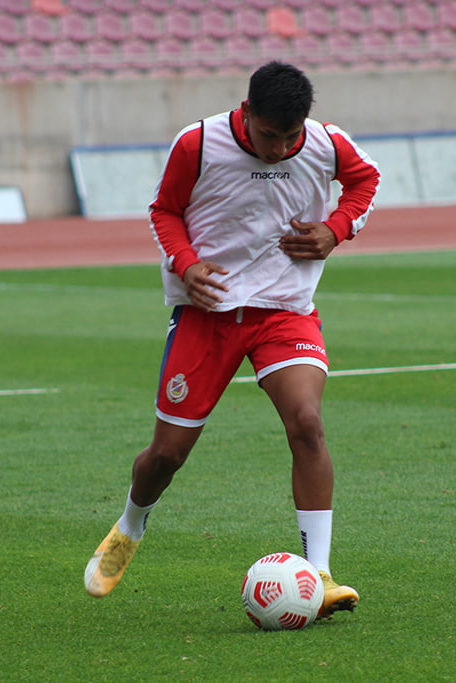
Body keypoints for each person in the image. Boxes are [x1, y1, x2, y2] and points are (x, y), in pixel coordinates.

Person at [84, 61, 379, 619]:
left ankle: (319, 574)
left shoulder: (327, 143)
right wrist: (186, 263)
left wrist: (335, 229)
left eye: (291, 136)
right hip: (208, 313)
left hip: (284, 310)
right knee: (167, 455)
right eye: (269, 135)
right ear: (246, 114)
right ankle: (130, 525)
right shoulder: (197, 144)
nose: (280, 149)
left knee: (307, 423)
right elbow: (164, 210)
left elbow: (366, 181)